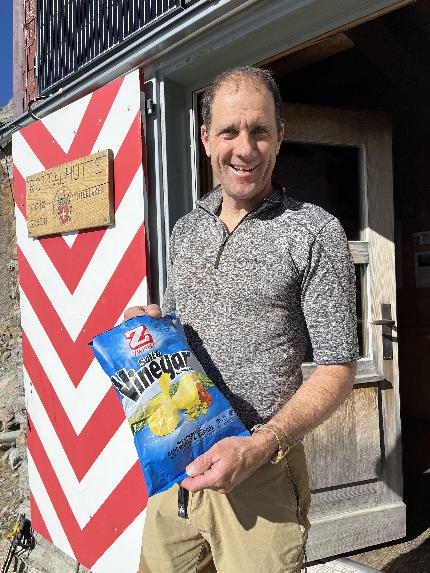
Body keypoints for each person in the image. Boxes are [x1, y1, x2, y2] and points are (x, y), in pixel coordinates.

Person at [125, 66, 358, 573]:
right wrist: (150, 327)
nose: (244, 148)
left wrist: (260, 446)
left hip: (262, 475)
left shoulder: (315, 231)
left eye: (259, 131)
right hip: (178, 467)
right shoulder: (185, 231)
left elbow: (339, 369)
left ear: (280, 137)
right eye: (229, 131)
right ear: (206, 138)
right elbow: (184, 335)